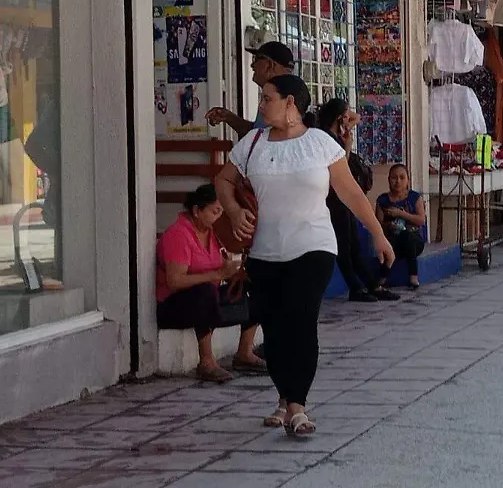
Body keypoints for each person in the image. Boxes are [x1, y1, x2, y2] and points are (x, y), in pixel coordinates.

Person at [215, 74, 395, 438]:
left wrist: (377, 235)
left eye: (268, 98)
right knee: (275, 329)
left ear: (291, 104)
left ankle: (298, 406)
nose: (262, 105)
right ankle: (285, 398)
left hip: (314, 247)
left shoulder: (319, 144)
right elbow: (223, 180)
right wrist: (234, 212)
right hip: (265, 252)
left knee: (301, 320)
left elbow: (351, 194)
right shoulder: (252, 144)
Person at [156, 184, 262, 383]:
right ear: (197, 211)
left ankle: (245, 352)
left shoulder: (213, 233)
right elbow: (175, 280)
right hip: (173, 304)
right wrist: (217, 273)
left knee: (255, 284)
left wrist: (233, 270)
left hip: (207, 297)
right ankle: (206, 362)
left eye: (221, 211)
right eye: (215, 211)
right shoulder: (179, 234)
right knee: (205, 293)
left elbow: (222, 267)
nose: (219, 216)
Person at [316, 97, 399, 303]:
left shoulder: (337, 133)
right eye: (344, 117)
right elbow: (339, 168)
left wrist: (345, 123)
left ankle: (371, 284)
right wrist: (347, 145)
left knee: (354, 244)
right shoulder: (326, 137)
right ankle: (355, 286)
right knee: (343, 246)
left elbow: (358, 117)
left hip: (343, 198)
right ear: (337, 118)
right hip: (333, 197)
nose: (349, 120)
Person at [206, 40, 295, 135]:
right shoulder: (275, 93)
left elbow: (265, 140)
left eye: (256, 59)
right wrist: (228, 117)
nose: (252, 65)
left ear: (270, 65)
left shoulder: (284, 97)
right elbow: (257, 134)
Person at [376, 164, 427, 289]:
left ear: (408, 180)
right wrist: (389, 226)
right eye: (394, 178)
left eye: (402, 177)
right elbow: (378, 225)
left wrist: (401, 214)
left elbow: (421, 220)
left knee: (408, 237)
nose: (398, 181)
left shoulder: (415, 197)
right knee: (391, 243)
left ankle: (413, 276)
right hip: (393, 240)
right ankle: (382, 278)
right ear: (389, 180)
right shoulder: (382, 200)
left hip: (414, 241)